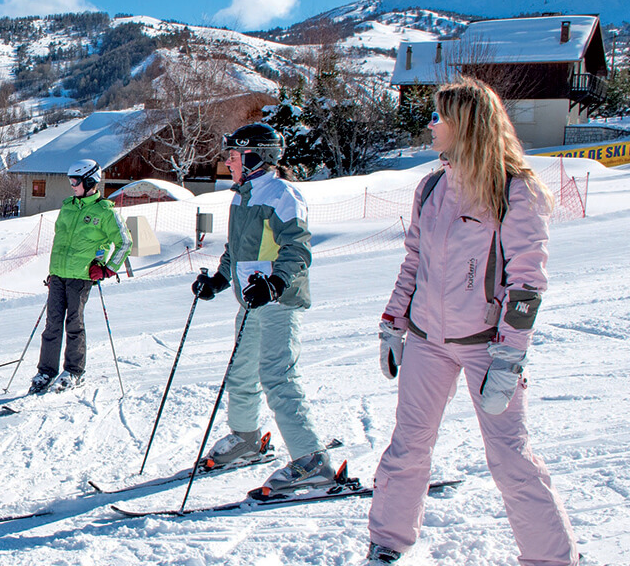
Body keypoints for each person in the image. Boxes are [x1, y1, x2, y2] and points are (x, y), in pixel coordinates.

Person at [366, 79, 577, 565]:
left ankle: (551, 559)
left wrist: (509, 355)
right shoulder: (432, 187)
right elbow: (414, 262)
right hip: (426, 340)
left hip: (487, 344)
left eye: (439, 117)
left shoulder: (513, 189)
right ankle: (387, 542)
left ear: (465, 124)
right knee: (407, 446)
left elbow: (526, 283)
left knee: (511, 458)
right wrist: (392, 322)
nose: (431, 125)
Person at [191, 122, 339, 497]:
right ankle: (246, 437)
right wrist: (219, 282)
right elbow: (237, 252)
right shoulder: (241, 196)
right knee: (241, 374)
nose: (228, 161)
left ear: (256, 156)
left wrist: (275, 283)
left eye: (234, 154)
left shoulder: (282, 195)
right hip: (251, 302)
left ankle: (311, 461)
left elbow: (298, 250)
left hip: (279, 301)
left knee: (277, 376)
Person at [28, 159, 131, 395]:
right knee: (51, 326)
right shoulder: (68, 207)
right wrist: (53, 272)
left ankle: (74, 371)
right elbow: (60, 242)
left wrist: (108, 268)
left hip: (81, 277)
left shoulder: (104, 211)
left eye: (75, 181)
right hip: (59, 275)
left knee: (74, 324)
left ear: (90, 181)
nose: (72, 185)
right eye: (70, 180)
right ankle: (46, 372)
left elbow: (124, 242)